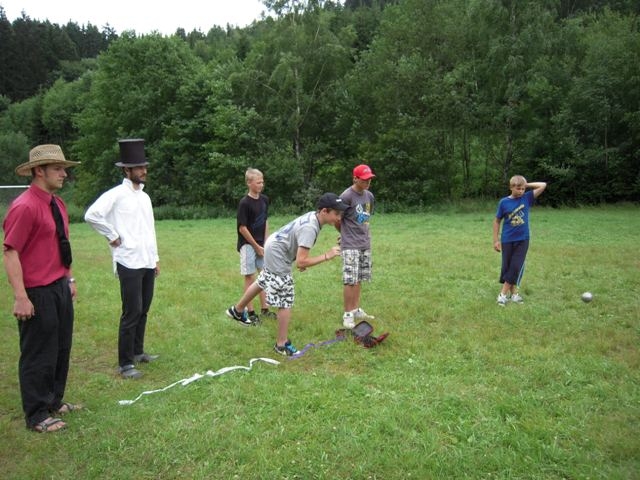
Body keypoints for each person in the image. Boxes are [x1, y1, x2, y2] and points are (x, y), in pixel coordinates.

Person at [3, 144, 82, 433]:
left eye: (64, 169)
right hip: (37, 291)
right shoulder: (25, 206)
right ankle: (36, 414)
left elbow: (62, 243)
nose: (64, 174)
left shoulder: (57, 204)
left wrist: (68, 278)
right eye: (58, 169)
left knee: (61, 347)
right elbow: (10, 252)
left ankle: (53, 401)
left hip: (59, 286)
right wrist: (20, 297)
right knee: (39, 353)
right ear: (39, 171)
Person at [225, 193, 348, 355]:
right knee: (286, 299)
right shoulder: (310, 228)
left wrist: (302, 260)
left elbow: (297, 246)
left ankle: (238, 310)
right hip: (277, 253)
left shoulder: (313, 217)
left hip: (273, 245)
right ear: (324, 211)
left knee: (264, 279)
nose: (339, 218)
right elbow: (301, 263)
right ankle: (281, 344)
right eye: (336, 213)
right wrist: (327, 255)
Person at [84, 139, 160, 379]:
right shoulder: (116, 195)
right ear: (127, 170)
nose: (143, 171)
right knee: (131, 311)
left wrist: (155, 258)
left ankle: (137, 352)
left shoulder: (145, 197)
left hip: (147, 260)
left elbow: (149, 229)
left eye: (144, 167)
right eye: (139, 168)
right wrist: (112, 235)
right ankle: (125, 364)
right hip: (128, 261)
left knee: (144, 309)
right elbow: (92, 215)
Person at [493, 175, 547, 306]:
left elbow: (543, 185)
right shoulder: (504, 202)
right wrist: (496, 240)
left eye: (523, 189)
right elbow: (497, 221)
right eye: (518, 188)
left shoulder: (526, 198)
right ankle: (514, 295)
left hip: (523, 239)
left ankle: (502, 294)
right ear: (511, 187)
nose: (521, 191)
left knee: (516, 266)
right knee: (508, 267)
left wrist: (526, 184)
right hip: (507, 239)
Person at [234, 168, 274, 324]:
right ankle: (250, 312)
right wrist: (256, 246)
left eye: (262, 182)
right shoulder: (244, 203)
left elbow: (265, 221)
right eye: (258, 182)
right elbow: (242, 228)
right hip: (248, 245)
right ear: (249, 183)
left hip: (261, 244)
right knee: (250, 277)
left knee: (264, 275)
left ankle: (265, 309)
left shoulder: (264, 200)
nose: (261, 185)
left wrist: (266, 242)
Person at [339, 164, 376, 328]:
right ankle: (347, 314)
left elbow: (366, 218)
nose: (368, 182)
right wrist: (344, 233)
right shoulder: (346, 196)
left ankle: (355, 309)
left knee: (359, 277)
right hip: (350, 244)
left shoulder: (369, 196)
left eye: (369, 179)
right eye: (364, 179)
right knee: (350, 279)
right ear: (355, 179)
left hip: (364, 243)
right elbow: (337, 218)